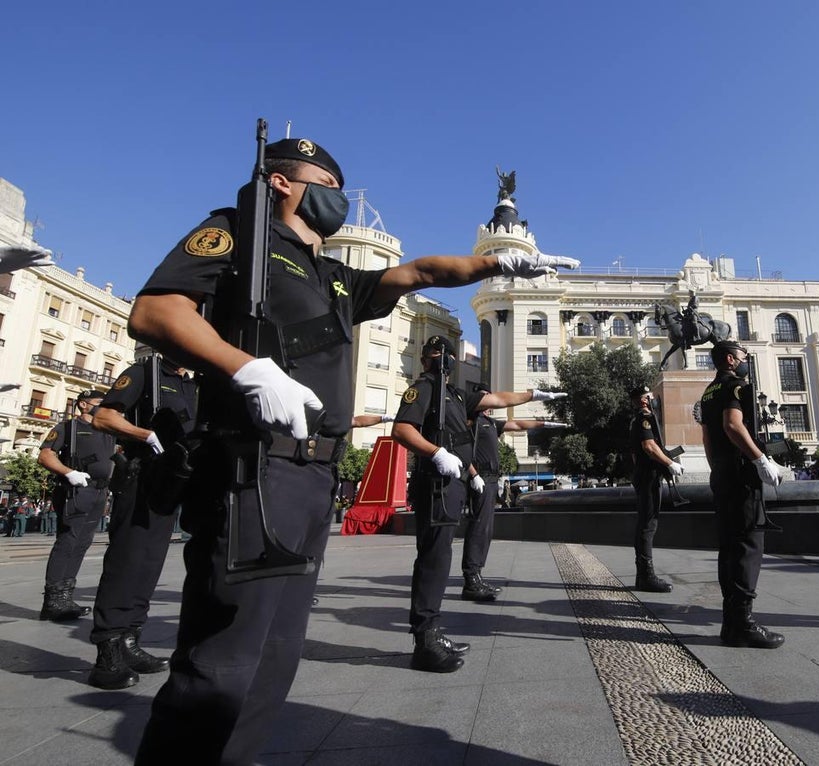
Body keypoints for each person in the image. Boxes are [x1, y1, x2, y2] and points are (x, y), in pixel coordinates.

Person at [127, 135, 578, 764]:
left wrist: (498, 266)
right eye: (328, 185)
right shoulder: (237, 235)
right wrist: (245, 368)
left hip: (313, 476)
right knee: (226, 655)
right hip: (254, 465)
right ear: (282, 182)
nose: (338, 199)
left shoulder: (331, 275)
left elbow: (419, 272)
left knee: (279, 652)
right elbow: (155, 311)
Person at [393, 339, 567, 670]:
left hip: (454, 482)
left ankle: (431, 629)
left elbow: (500, 399)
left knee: (441, 557)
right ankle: (424, 640)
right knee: (433, 559)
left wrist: (534, 395)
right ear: (429, 359)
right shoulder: (424, 388)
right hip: (436, 483)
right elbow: (401, 430)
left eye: (446, 355)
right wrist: (435, 452)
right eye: (437, 355)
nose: (443, 360)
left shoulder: (457, 396)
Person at [85, 355, 198, 690]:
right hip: (141, 474)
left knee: (149, 563)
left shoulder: (192, 382)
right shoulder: (144, 373)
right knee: (127, 560)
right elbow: (102, 417)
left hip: (173, 479)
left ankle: (130, 640)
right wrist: (144, 434)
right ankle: (107, 652)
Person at [698, 341, 785, 649]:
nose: (748, 363)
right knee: (748, 544)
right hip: (739, 471)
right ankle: (742, 624)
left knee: (729, 547)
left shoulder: (708, 391)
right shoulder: (736, 386)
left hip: (722, 471)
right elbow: (732, 425)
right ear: (732, 360)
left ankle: (731, 622)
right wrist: (759, 459)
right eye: (746, 358)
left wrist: (717, 468)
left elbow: (708, 436)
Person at [460, 385, 567, 602]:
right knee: (478, 528)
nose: (490, 404)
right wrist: (473, 476)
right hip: (479, 478)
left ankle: (477, 576)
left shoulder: (490, 423)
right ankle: (470, 580)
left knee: (486, 530)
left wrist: (544, 424)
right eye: (485, 399)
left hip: (491, 479)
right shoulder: (469, 422)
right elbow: (460, 451)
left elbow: (517, 424)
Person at [37, 389, 115, 622]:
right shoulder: (67, 428)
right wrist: (68, 472)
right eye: (99, 403)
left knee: (82, 542)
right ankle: (52, 601)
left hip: (100, 490)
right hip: (77, 488)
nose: (103, 407)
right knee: (68, 540)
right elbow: (45, 455)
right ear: (83, 405)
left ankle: (65, 598)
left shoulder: (108, 430)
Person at [627, 384, 682, 592]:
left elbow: (638, 453)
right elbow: (649, 447)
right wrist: (669, 464)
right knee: (647, 525)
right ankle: (646, 576)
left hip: (646, 475)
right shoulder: (644, 418)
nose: (654, 399)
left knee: (647, 523)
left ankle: (643, 575)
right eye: (650, 396)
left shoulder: (641, 418)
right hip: (649, 477)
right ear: (643, 400)